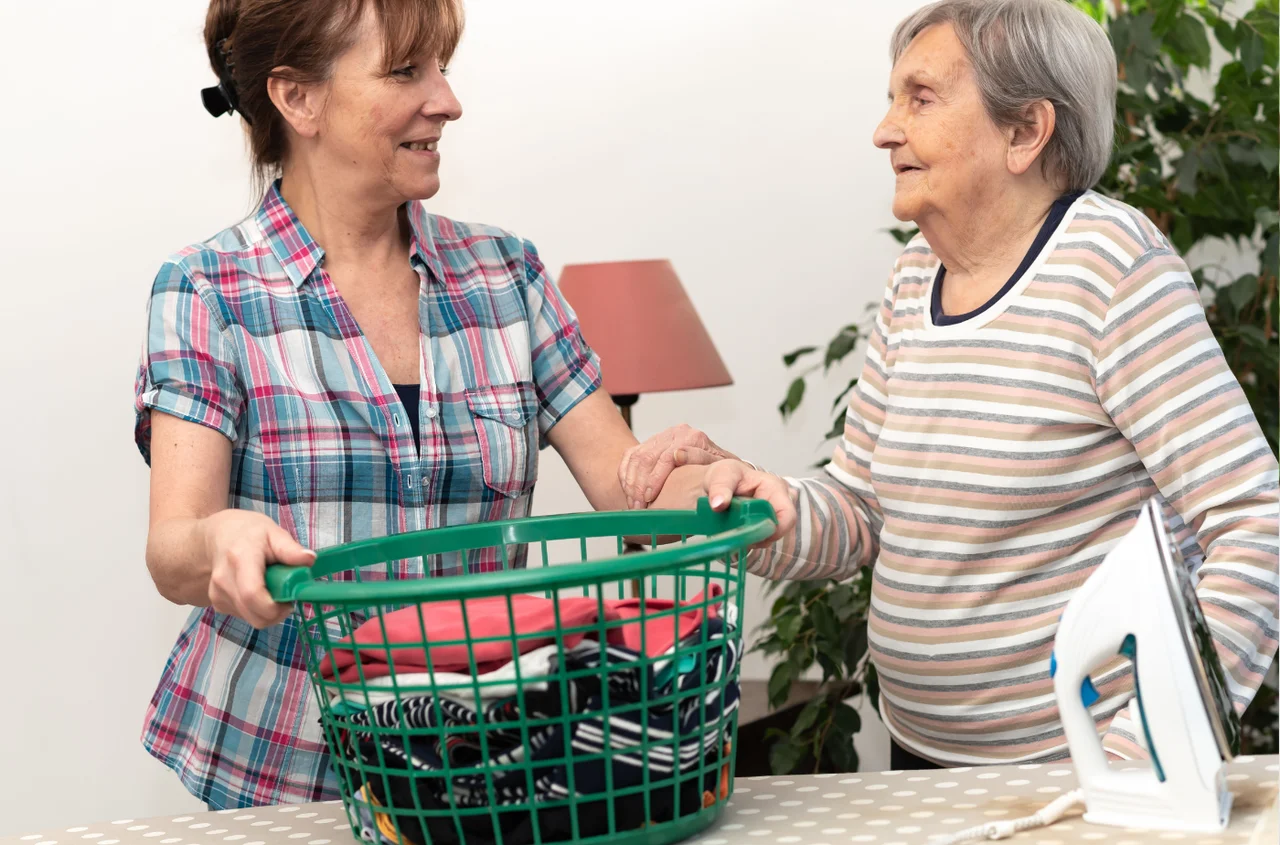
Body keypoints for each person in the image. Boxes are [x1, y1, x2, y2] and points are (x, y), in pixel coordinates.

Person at [622, 0, 1280, 771]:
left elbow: (1253, 522)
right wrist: (759, 500)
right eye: (891, 99)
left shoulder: (1111, 268)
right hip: (923, 757)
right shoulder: (914, 280)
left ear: (1025, 132)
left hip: (1082, 773)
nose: (885, 129)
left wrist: (1150, 751)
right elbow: (864, 509)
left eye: (921, 97)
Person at [134, 0, 675, 810]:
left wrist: (719, 483)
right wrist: (221, 534)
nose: (448, 100)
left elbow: (632, 484)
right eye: (404, 71)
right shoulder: (208, 289)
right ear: (299, 99)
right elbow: (173, 548)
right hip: (286, 771)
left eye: (443, 68)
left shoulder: (507, 275)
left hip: (483, 763)